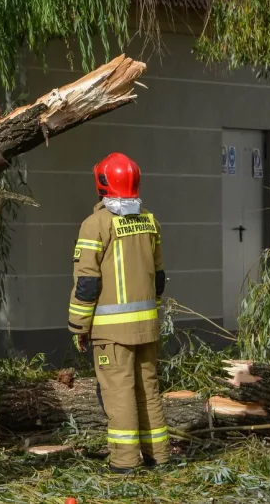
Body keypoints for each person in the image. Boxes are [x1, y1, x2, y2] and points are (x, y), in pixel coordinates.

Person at [68, 152, 169, 473]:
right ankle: (160, 458)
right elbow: (160, 278)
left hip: (111, 333)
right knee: (148, 392)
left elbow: (86, 283)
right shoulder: (149, 220)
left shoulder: (95, 225)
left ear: (102, 184)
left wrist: (78, 326)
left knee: (119, 394)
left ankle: (124, 463)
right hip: (147, 328)